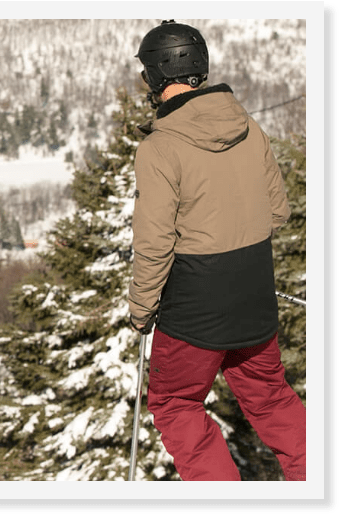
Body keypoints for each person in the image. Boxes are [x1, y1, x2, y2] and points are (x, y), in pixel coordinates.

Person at [128, 20, 306, 481]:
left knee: (174, 403)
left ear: (153, 75)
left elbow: (154, 244)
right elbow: (277, 211)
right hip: (255, 299)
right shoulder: (247, 126)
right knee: (270, 398)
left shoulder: (160, 148)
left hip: (193, 310)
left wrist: (141, 310)